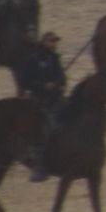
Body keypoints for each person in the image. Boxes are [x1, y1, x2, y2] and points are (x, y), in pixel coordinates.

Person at [17, 31, 67, 181]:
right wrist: (42, 86)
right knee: (44, 133)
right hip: (39, 101)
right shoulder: (32, 60)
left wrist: (57, 84)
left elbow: (62, 78)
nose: (53, 45)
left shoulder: (54, 59)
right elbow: (25, 82)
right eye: (51, 42)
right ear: (44, 42)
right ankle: (39, 168)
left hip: (56, 100)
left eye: (55, 42)